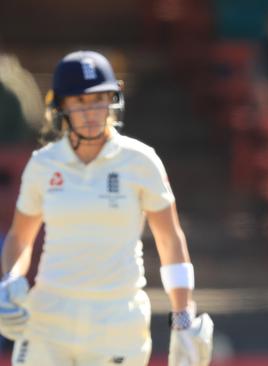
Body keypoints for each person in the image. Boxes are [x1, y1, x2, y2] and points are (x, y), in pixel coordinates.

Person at [0, 50, 213, 366]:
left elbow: (170, 239)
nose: (91, 112)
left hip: (117, 317)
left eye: (99, 99)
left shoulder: (141, 161)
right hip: (50, 314)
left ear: (114, 99)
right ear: (61, 106)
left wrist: (182, 316)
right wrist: (9, 284)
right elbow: (20, 237)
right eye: (80, 102)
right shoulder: (43, 164)